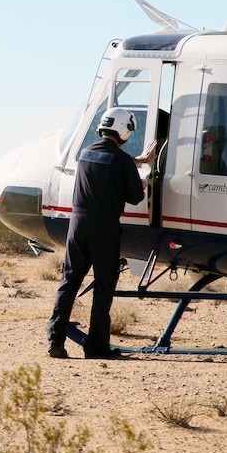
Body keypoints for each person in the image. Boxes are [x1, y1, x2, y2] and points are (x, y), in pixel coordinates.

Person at [46, 107, 155, 360]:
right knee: (103, 287)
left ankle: (55, 340)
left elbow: (109, 160)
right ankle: (96, 348)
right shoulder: (122, 161)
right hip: (104, 228)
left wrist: (134, 161)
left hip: (77, 225)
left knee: (69, 282)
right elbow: (135, 196)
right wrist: (140, 176)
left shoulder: (85, 154)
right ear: (124, 130)